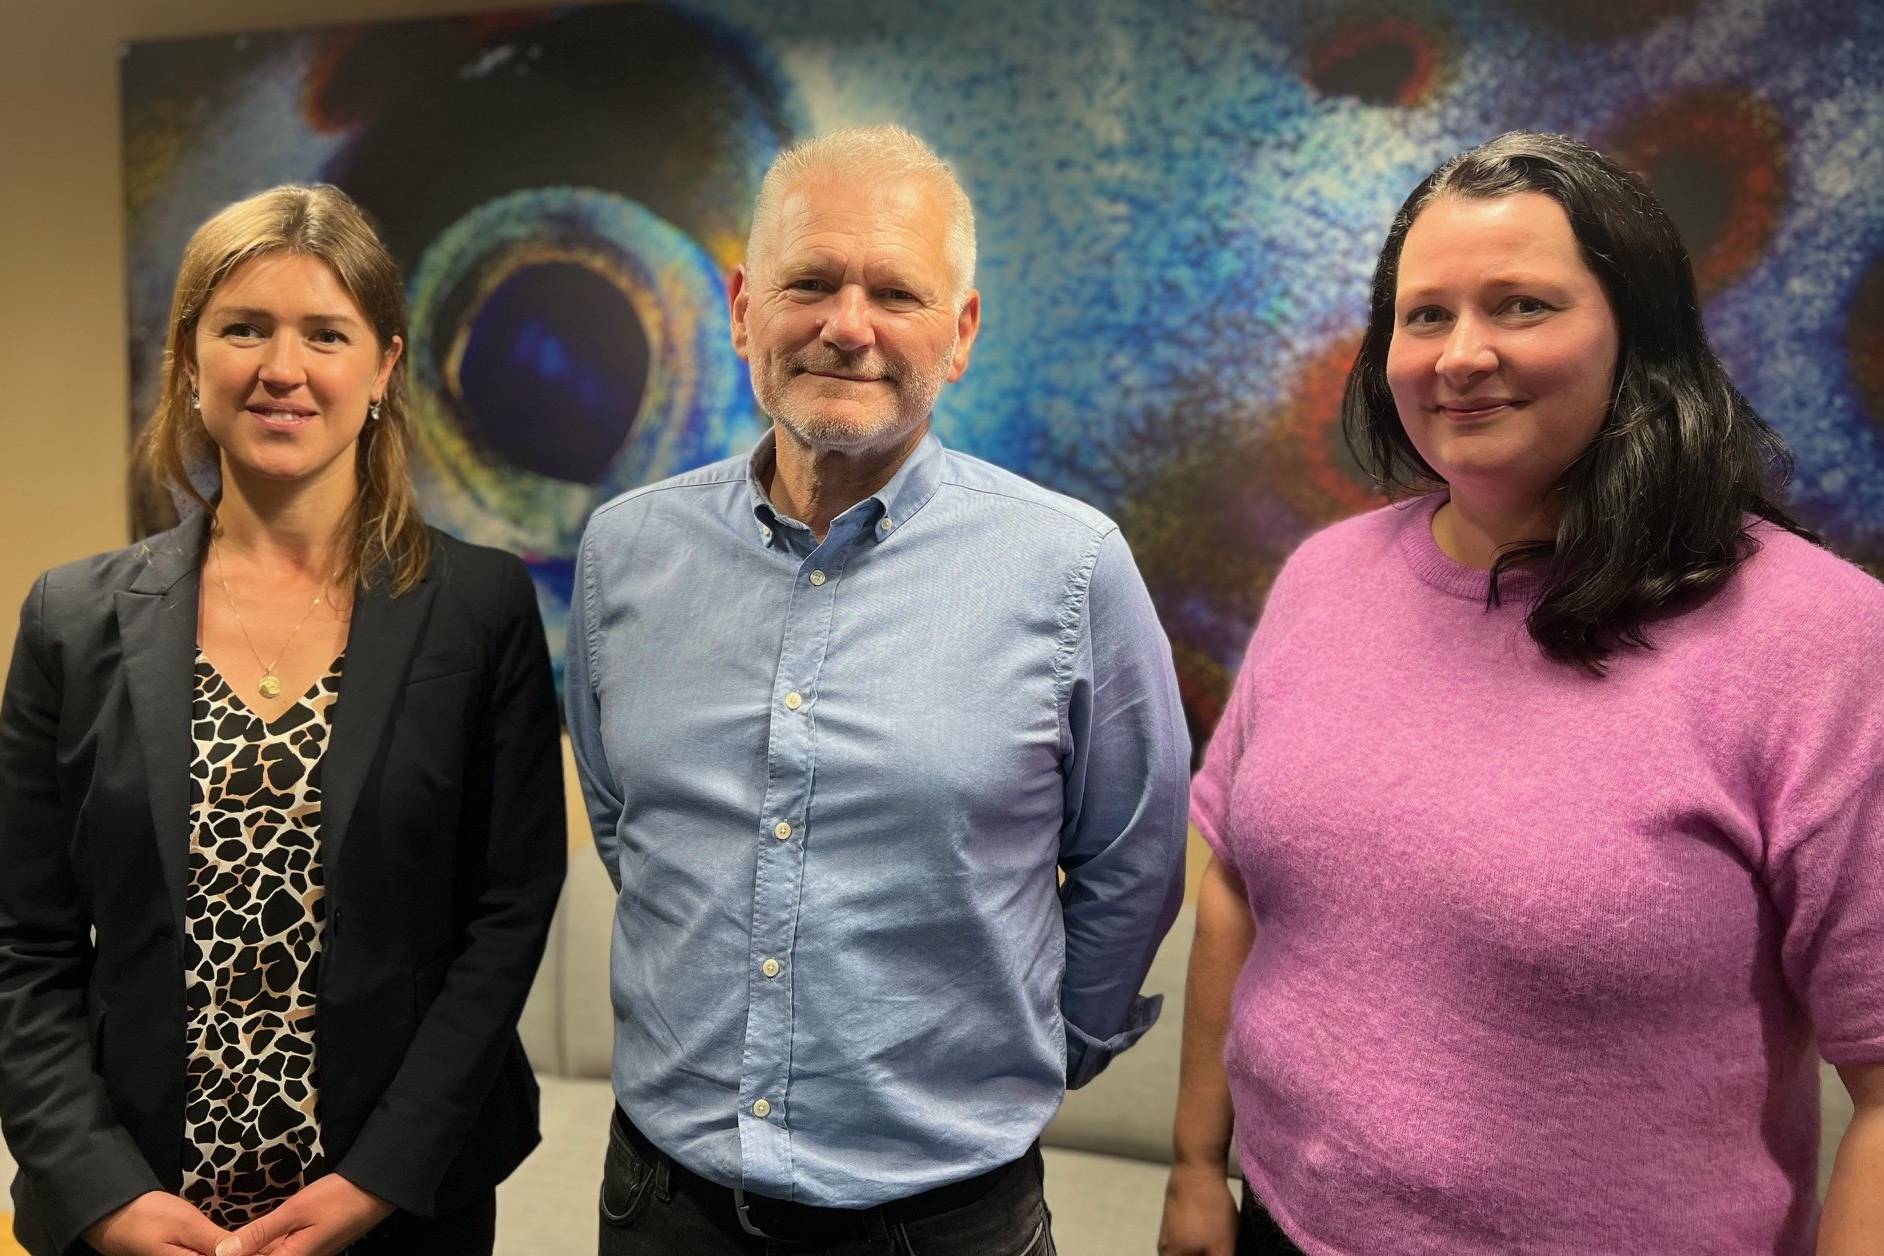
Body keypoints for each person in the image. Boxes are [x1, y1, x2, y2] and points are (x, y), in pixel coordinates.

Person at [1159, 131, 1884, 1255]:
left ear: (1636, 332)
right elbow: (1236, 891)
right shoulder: (1323, 578)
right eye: (1425, 315)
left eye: (1522, 305)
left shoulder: (1820, 639)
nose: (1461, 355)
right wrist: (1197, 1167)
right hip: (1281, 1225)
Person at [565, 124, 1190, 1255]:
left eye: (896, 292)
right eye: (810, 282)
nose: (847, 326)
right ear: (745, 307)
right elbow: (629, 823)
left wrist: (1045, 1046)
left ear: (961, 332)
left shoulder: (1071, 567)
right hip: (661, 1206)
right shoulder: (626, 552)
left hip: (943, 1220)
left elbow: (1135, 856)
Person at [0, 185, 566, 1256]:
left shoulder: (480, 610)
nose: (282, 367)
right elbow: (23, 945)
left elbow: (505, 918)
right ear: (189, 357)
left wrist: (377, 1181)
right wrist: (99, 1190)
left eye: (325, 333)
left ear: (384, 366)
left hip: (396, 1211)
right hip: (139, 1207)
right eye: (244, 327)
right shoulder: (70, 620)